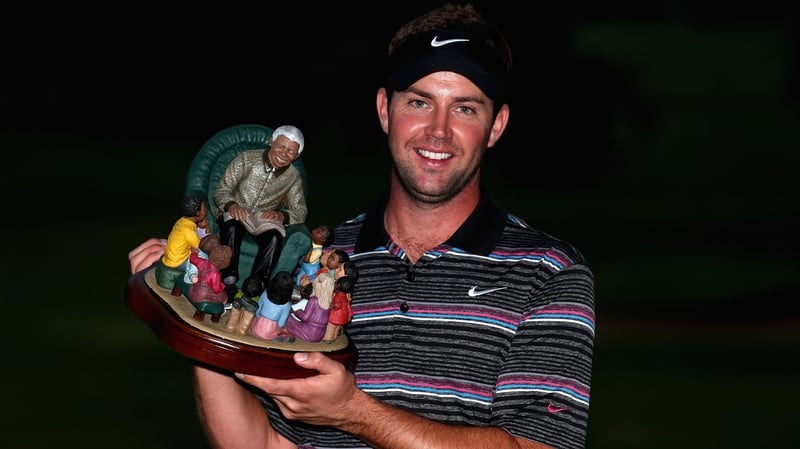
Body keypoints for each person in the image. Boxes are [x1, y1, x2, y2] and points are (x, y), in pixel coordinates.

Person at [127, 4, 595, 449]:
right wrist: (193, 320)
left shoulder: (549, 273)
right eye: (419, 102)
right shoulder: (317, 260)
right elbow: (261, 441)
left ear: (496, 125)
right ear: (384, 110)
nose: (438, 130)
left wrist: (351, 410)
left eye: (465, 108)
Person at [213, 124, 307, 288]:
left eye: (291, 151)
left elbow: (300, 211)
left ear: (297, 156)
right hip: (235, 213)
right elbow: (222, 190)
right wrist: (232, 205)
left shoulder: (293, 177)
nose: (284, 154)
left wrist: (282, 216)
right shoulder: (247, 159)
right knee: (233, 228)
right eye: (281, 146)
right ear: (271, 142)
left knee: (274, 237)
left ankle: (256, 283)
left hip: (261, 220)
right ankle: (228, 279)